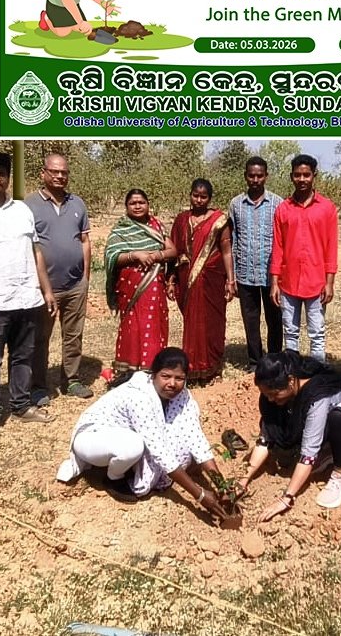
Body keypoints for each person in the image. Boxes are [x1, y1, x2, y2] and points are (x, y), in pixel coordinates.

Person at [55, 347, 232, 522]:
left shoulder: (182, 397)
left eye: (179, 378)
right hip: (91, 438)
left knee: (176, 441)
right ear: (153, 375)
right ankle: (114, 479)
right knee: (133, 446)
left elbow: (196, 438)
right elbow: (160, 451)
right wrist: (199, 494)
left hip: (116, 439)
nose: (172, 383)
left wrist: (222, 487)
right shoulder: (139, 397)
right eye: (166, 376)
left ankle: (122, 466)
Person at [0, 151, 58, 440]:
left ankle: (20, 405)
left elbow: (36, 252)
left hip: (27, 297)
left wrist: (46, 290)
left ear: (9, 176)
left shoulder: (22, 210)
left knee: (23, 356)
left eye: (1, 173)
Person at [245, 352, 341, 521]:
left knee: (337, 417)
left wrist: (286, 498)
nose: (270, 399)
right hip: (328, 422)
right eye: (266, 395)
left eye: (274, 394)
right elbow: (265, 439)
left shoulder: (317, 395)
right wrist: (243, 480)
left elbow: (308, 453)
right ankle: (328, 452)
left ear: (290, 381)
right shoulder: (276, 393)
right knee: (303, 419)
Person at [24, 153, 94, 401]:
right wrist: (41, 287)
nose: (60, 176)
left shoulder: (78, 204)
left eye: (64, 172)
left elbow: (85, 241)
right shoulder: (29, 205)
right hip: (43, 288)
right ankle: (39, 386)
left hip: (75, 284)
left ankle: (71, 380)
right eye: (54, 171)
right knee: (40, 337)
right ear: (43, 173)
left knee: (73, 334)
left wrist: (85, 277)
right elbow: (28, 247)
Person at [269, 154, 338, 362]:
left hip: (316, 282)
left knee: (317, 333)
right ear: (291, 176)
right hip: (288, 282)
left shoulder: (326, 208)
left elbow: (331, 247)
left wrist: (329, 282)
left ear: (314, 176)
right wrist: (274, 283)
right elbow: (278, 247)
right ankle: (293, 374)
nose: (302, 179)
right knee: (290, 332)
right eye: (297, 175)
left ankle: (318, 377)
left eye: (306, 175)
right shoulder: (283, 209)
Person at [104, 188, 177, 377]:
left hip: (153, 285)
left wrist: (154, 256)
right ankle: (128, 369)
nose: (137, 206)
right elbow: (112, 256)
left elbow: (172, 251)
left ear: (148, 204)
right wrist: (134, 255)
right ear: (126, 207)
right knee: (132, 324)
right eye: (133, 203)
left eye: (141, 202)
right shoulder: (121, 229)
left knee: (152, 324)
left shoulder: (156, 225)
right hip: (129, 287)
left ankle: (152, 367)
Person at [169, 178, 235, 384]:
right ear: (190, 195)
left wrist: (231, 280)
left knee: (212, 324)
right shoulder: (182, 220)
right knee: (192, 323)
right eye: (195, 195)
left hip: (212, 280)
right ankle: (192, 366)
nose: (199, 200)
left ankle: (212, 368)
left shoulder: (219, 220)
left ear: (209, 198)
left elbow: (226, 251)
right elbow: (174, 252)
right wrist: (170, 279)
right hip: (186, 278)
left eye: (203, 196)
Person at [228, 156, 283, 370]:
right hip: (245, 273)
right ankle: (254, 361)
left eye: (260, 175)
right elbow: (232, 240)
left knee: (274, 319)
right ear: (245, 176)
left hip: (272, 275)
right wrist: (231, 276)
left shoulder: (278, 203)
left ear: (266, 176)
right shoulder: (235, 204)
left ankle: (275, 360)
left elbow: (282, 240)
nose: (256, 179)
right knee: (250, 320)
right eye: (251, 175)